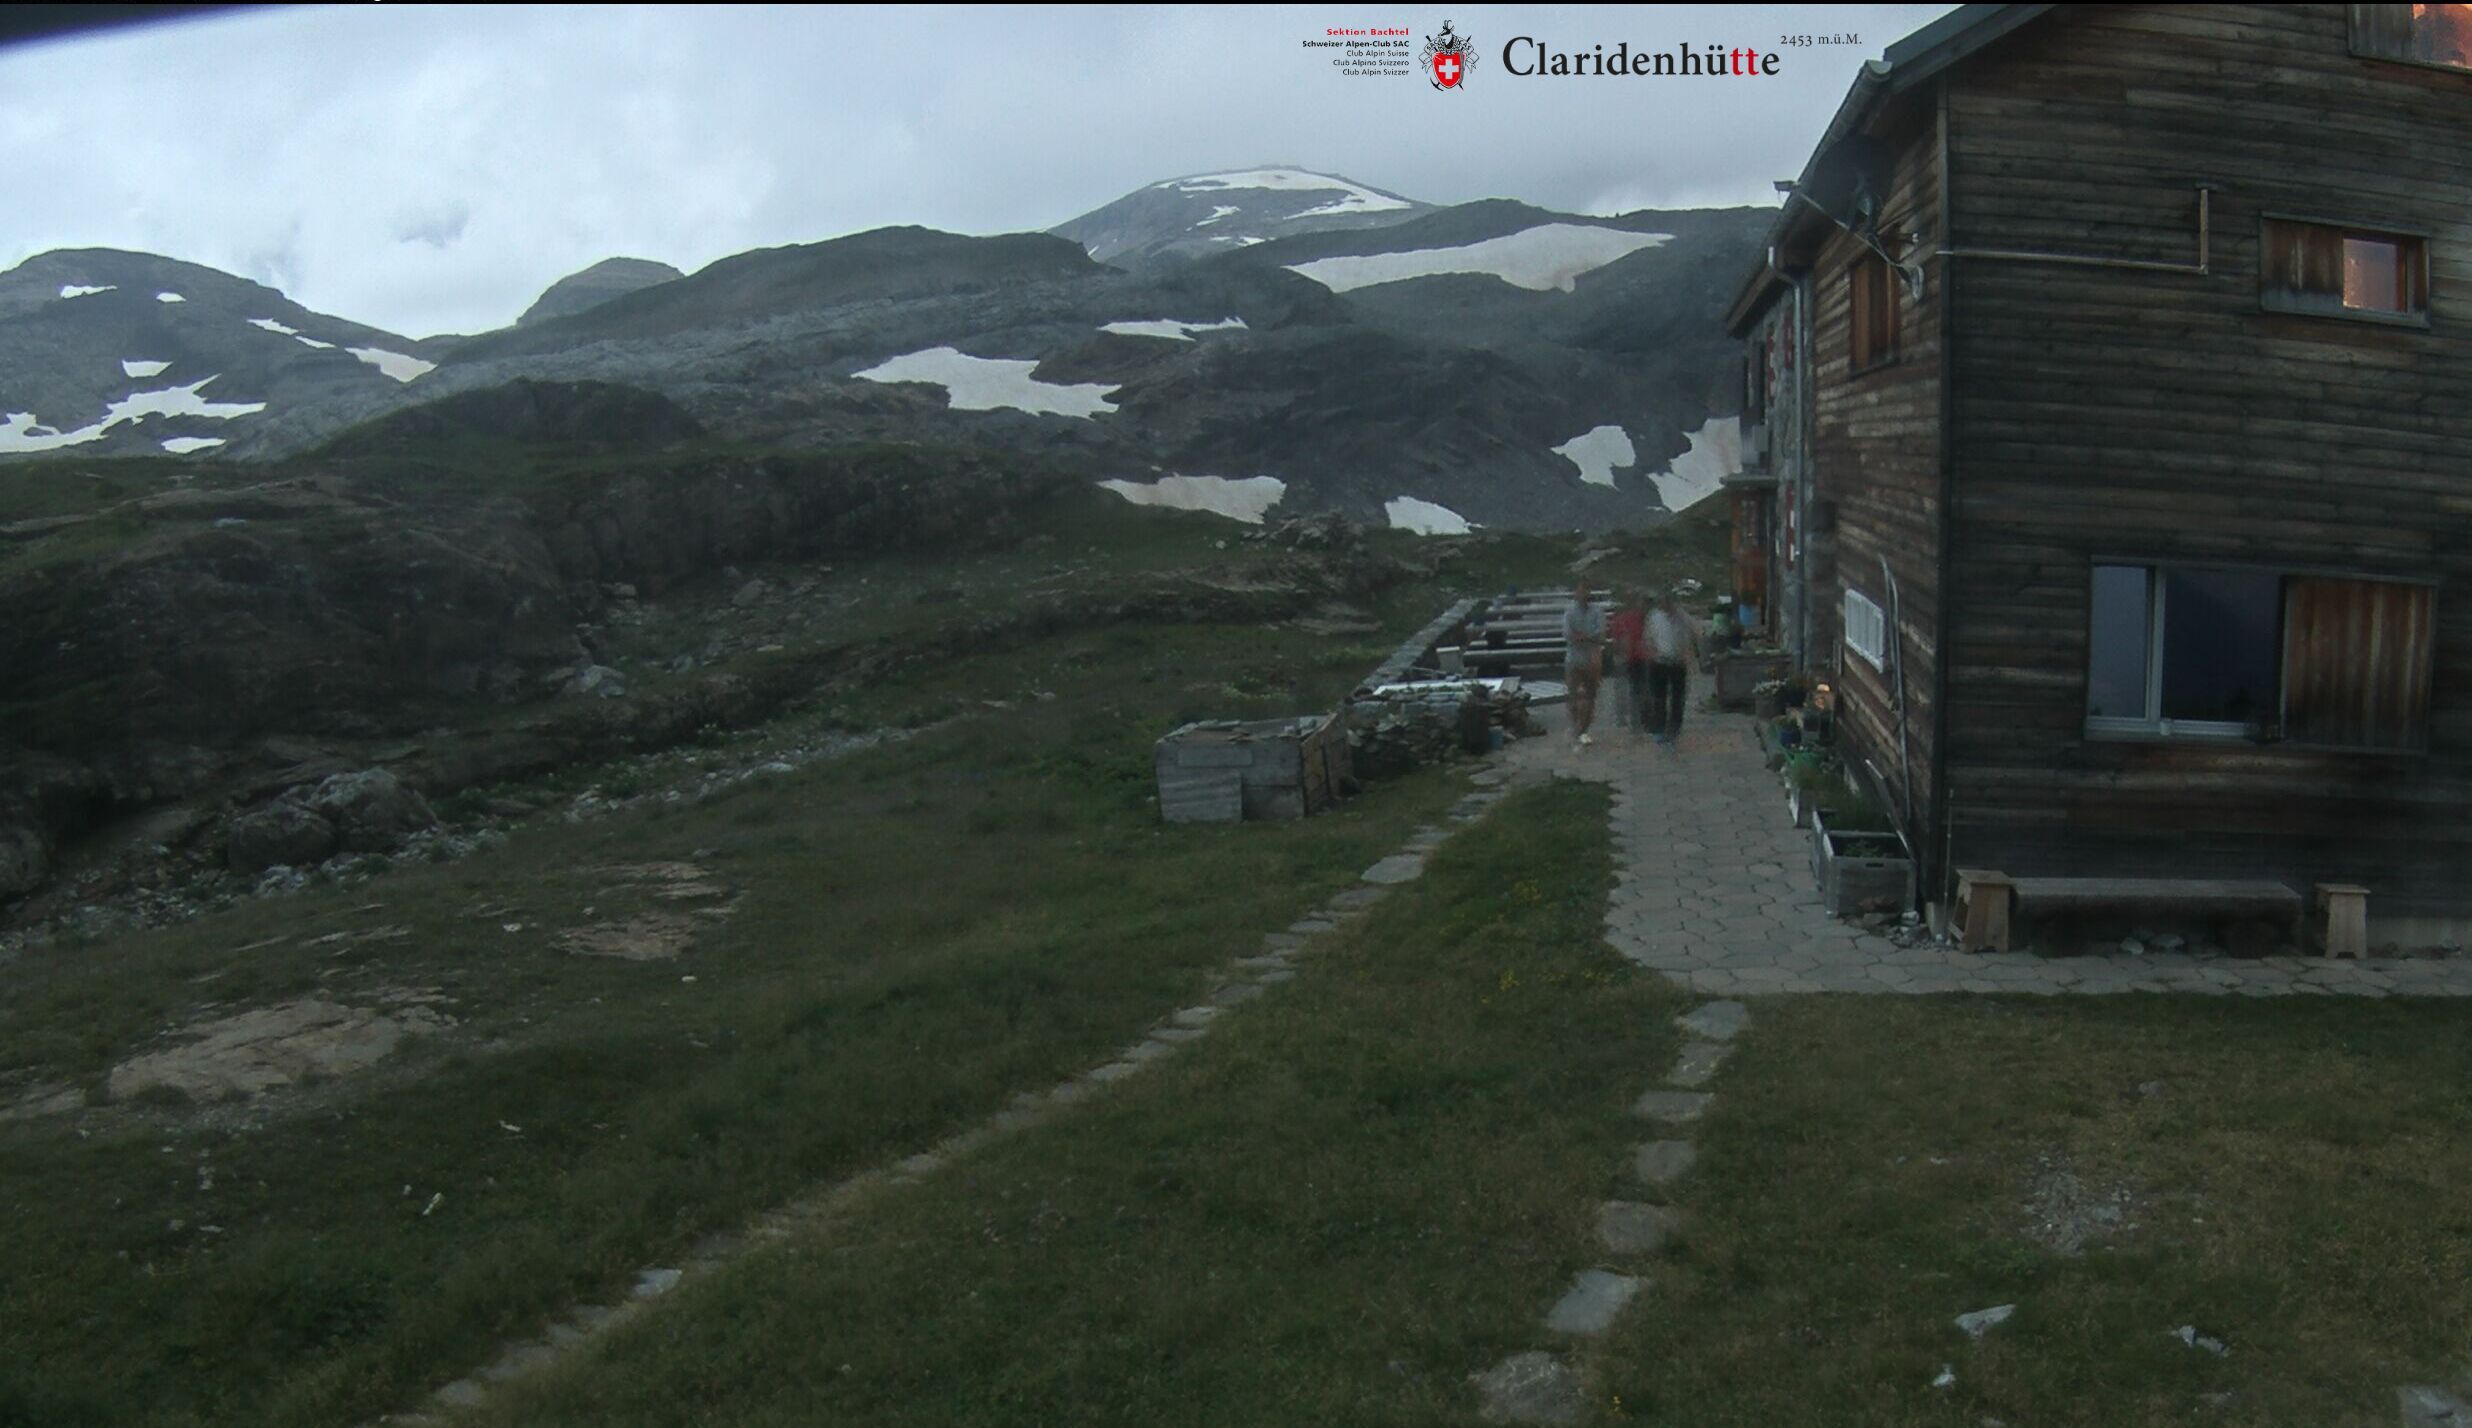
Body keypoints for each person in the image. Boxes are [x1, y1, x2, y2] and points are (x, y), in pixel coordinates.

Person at [1645, 586, 1706, 744]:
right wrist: (1650, 653)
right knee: (1659, 697)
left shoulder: (1682, 616)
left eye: (1668, 602)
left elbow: (1697, 631)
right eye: (1663, 602)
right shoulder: (1654, 617)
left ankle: (1674, 727)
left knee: (1678, 697)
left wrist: (1691, 653)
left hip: (1677, 662)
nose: (1665, 605)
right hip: (1659, 661)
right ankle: (1660, 727)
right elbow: (1648, 638)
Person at [1563, 577, 1607, 747]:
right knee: (1572, 694)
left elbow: (1600, 633)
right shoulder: (1569, 613)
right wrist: (1586, 637)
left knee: (1591, 695)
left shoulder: (1597, 612)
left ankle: (1584, 729)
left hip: (1592, 658)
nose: (1582, 594)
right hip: (1573, 658)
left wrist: (1583, 636)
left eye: (1585, 591)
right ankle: (1575, 726)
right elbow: (1568, 634)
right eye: (1580, 591)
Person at [1606, 588, 1650, 739]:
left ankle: (1640, 721)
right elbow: (1619, 641)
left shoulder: (1645, 619)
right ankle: (1634, 722)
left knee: (1641, 691)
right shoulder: (1625, 619)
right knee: (1634, 691)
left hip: (1642, 658)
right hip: (1631, 658)